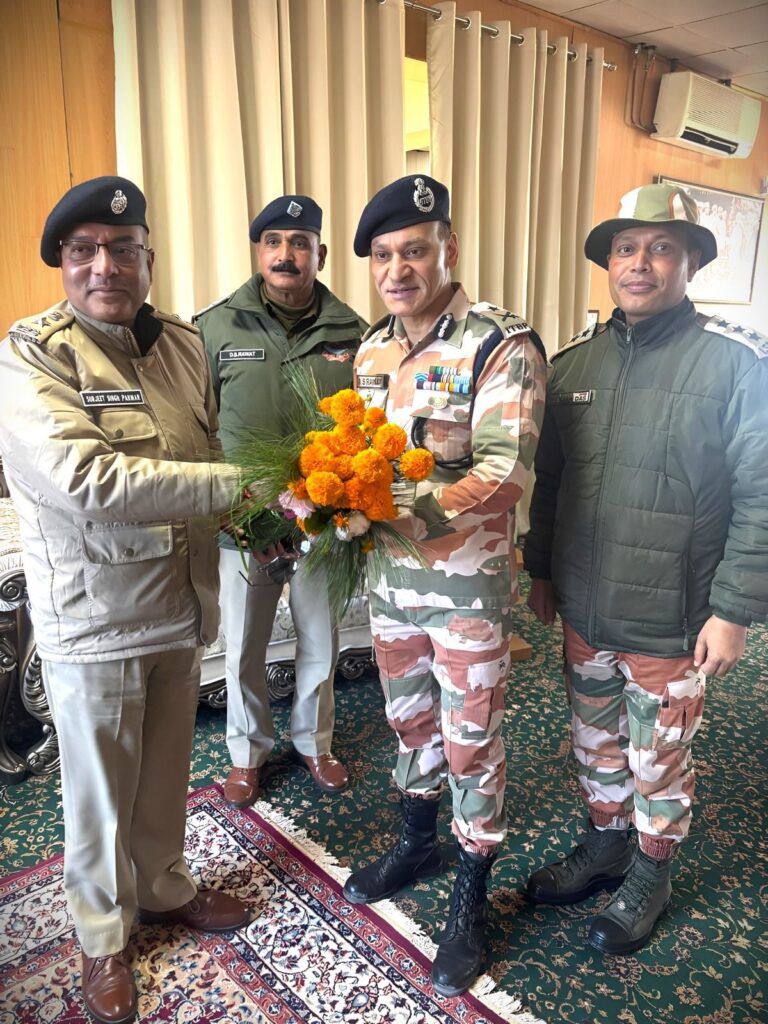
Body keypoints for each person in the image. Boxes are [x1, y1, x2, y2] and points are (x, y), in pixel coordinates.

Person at [0, 177, 252, 1024]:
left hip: (180, 603)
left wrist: (255, 518)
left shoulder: (181, 344)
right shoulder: (33, 355)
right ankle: (102, 935)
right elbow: (87, 479)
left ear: (148, 258)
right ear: (63, 264)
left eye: (122, 248)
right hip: (95, 614)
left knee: (166, 772)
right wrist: (239, 486)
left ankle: (165, 886)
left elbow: (205, 452)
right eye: (84, 251)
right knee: (101, 793)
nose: (104, 265)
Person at [523, 182, 768, 956]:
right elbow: (551, 482)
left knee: (658, 760)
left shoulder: (736, 366)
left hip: (674, 620)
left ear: (691, 262)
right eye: (625, 248)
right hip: (586, 609)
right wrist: (540, 570)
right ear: (608, 264)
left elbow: (761, 494)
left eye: (661, 247)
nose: (640, 262)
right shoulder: (572, 366)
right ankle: (605, 848)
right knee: (595, 747)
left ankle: (650, 873)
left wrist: (734, 610)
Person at [343, 174, 547, 996]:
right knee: (409, 722)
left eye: (414, 252)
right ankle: (417, 842)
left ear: (448, 250)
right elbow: (355, 453)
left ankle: (471, 886)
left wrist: (396, 511)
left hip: (466, 588)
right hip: (389, 584)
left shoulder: (501, 344)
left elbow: (504, 472)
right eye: (383, 256)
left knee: (471, 739)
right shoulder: (371, 350)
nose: (397, 270)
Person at [195, 195, 368, 805]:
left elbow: (364, 425)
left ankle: (315, 743)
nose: (286, 254)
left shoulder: (354, 331)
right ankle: (247, 754)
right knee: (244, 643)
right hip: (246, 518)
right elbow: (198, 425)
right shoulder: (215, 327)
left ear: (321, 253)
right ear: (258, 251)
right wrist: (224, 501)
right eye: (273, 242)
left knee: (322, 636)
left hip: (324, 517)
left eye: (300, 243)